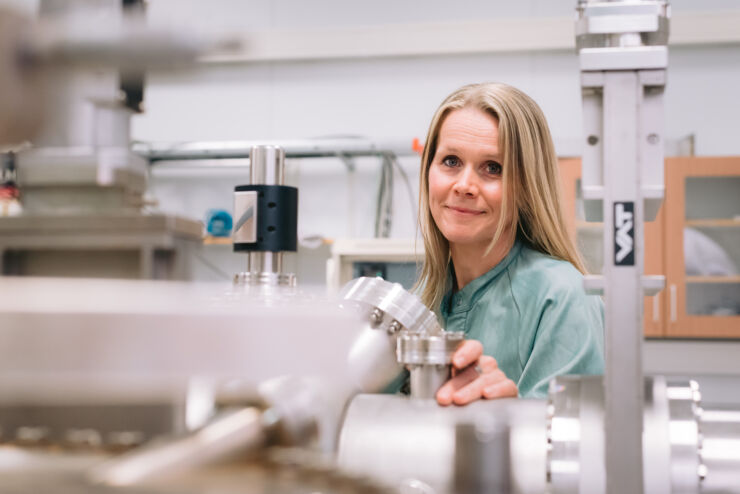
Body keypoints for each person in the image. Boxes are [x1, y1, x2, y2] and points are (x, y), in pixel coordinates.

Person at [413, 82, 604, 405]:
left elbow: (574, 444)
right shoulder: (421, 302)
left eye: (493, 168)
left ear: (527, 187)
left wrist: (508, 414)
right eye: (451, 161)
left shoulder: (564, 299)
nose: (464, 185)